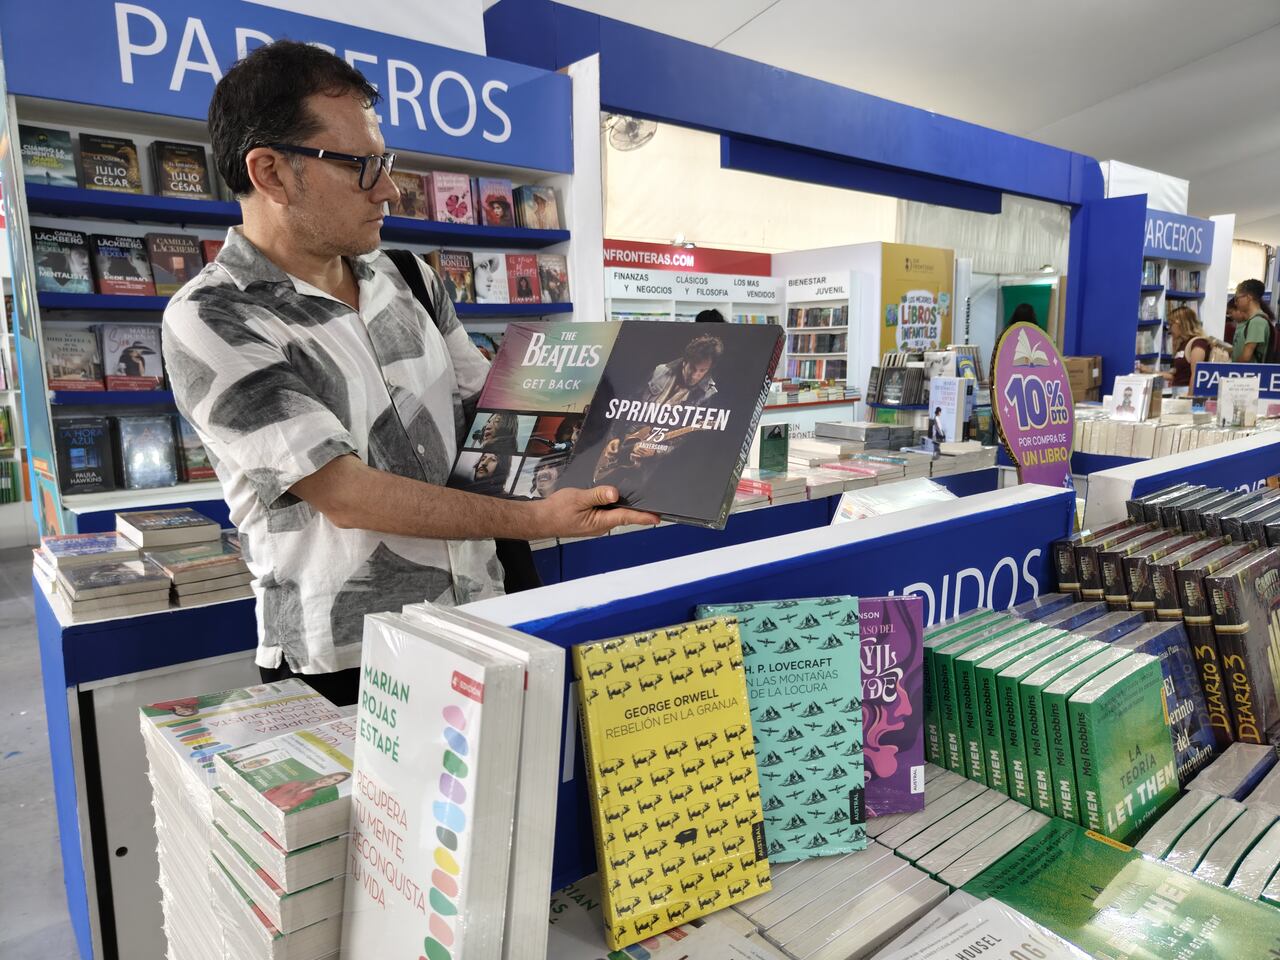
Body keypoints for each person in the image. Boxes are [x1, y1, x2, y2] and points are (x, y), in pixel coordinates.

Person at [163, 41, 656, 705]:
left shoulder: (409, 277)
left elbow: (493, 411)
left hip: (485, 614)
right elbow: (346, 494)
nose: (389, 188)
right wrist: (539, 519)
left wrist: (636, 415)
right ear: (271, 173)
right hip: (351, 657)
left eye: (385, 162)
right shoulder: (213, 316)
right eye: (361, 167)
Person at [1166, 305, 1210, 389]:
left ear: (1181, 324)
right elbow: (1179, 375)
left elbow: (1196, 375)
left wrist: (1189, 398)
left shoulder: (1198, 343)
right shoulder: (1183, 344)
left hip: (1187, 394)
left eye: (1171, 325)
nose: (1170, 329)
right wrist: (1151, 372)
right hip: (1178, 393)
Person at [1232, 279, 1271, 362]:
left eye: (1237, 298)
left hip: (1248, 374)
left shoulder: (1257, 322)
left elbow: (1246, 357)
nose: (1235, 303)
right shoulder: (1250, 321)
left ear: (1248, 297)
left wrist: (1230, 368)